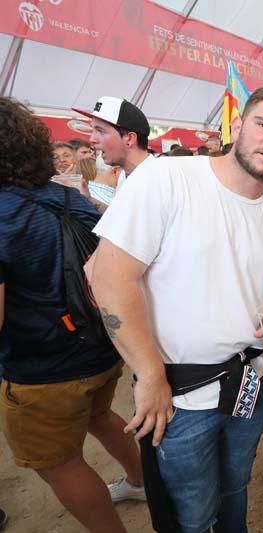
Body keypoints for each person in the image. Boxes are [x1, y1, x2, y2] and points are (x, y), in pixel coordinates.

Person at [90, 87, 263, 532]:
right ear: (239, 126)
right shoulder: (167, 179)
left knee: (235, 488)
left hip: (250, 384)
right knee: (191, 512)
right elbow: (108, 279)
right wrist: (150, 375)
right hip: (180, 398)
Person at [0, 97, 144, 533]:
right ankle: (142, 481)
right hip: (101, 348)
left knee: (60, 463)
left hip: (44, 371)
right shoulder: (70, 198)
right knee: (100, 416)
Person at [74, 96, 153, 190]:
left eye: (100, 131)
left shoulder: (160, 178)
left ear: (129, 139)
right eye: (93, 130)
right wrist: (90, 200)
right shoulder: (124, 176)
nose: (92, 139)